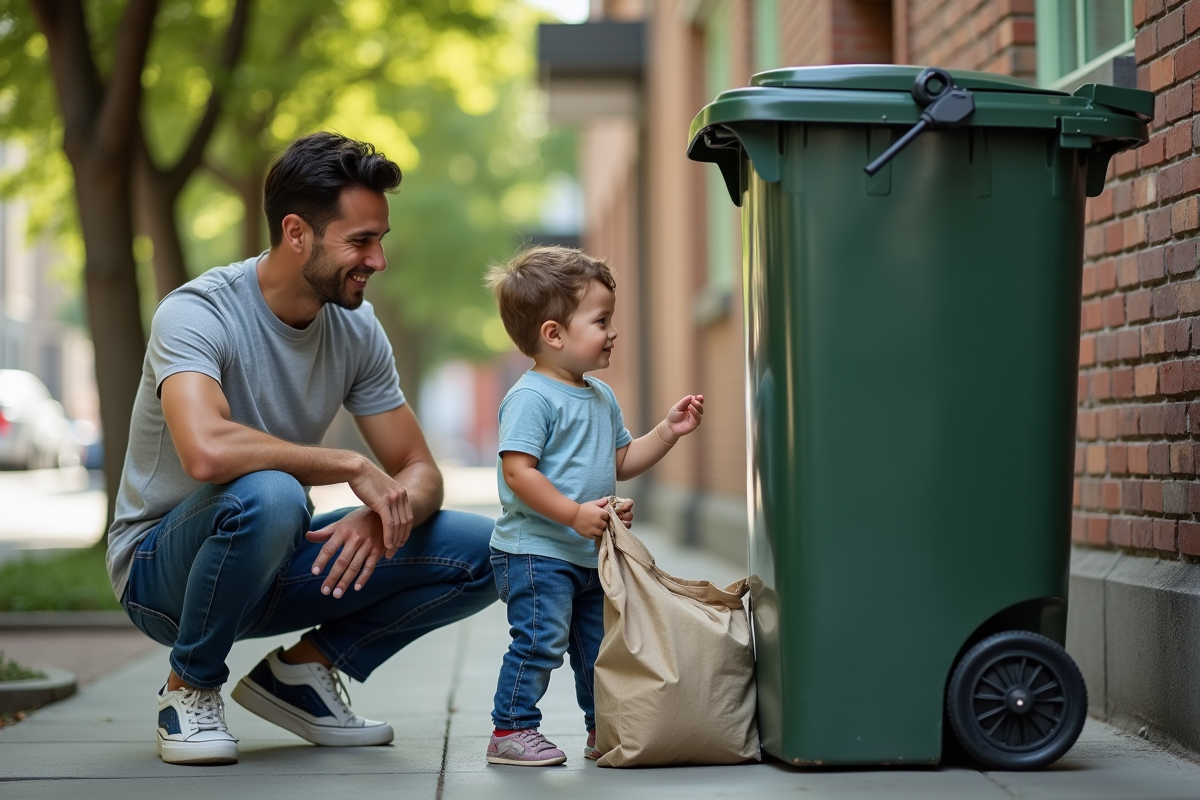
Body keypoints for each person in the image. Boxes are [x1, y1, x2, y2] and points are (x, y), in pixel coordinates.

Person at [106, 132, 508, 766]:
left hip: (274, 553)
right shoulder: (196, 313)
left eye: (381, 239)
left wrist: (384, 516)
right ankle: (189, 688)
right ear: (296, 233)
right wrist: (349, 466)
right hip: (163, 573)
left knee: (486, 553)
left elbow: (420, 469)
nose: (378, 260)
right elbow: (205, 452)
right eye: (360, 241)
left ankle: (301, 674)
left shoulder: (356, 326)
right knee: (273, 493)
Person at [482, 245, 704, 766]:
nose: (613, 331)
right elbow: (519, 472)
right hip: (536, 552)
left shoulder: (600, 396)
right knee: (540, 641)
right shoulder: (531, 398)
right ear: (554, 334)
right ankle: (510, 730)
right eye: (601, 320)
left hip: (587, 555)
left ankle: (600, 728)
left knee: (598, 650)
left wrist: (667, 433)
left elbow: (621, 458)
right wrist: (574, 514)